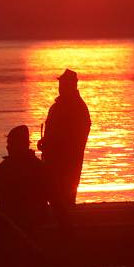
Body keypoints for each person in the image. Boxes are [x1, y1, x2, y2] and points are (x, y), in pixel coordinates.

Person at [0, 125, 49, 233]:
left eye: (10, 144)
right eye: (7, 144)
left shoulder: (9, 166)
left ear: (19, 145)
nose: (7, 147)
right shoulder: (39, 166)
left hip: (14, 219)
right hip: (33, 219)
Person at [38, 69, 91, 210]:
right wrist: (45, 143)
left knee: (65, 198)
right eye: (60, 84)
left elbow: (77, 138)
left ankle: (66, 226)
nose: (60, 87)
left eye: (63, 84)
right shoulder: (58, 106)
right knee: (54, 196)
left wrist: (53, 145)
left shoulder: (77, 107)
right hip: (53, 160)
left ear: (72, 85)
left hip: (67, 163)